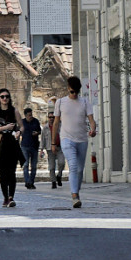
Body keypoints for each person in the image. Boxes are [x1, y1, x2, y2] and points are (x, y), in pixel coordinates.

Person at [52, 76, 97, 208]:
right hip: (66, 139)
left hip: (82, 139)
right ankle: (74, 196)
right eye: (72, 92)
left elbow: (91, 120)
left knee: (80, 170)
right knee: (73, 166)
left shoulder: (85, 102)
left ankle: (76, 191)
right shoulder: (60, 103)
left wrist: (93, 130)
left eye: (76, 92)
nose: (74, 94)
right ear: (68, 89)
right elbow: (55, 124)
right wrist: (53, 143)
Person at [0, 89, 25, 208]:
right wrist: (5, 127)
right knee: (3, 173)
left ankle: (11, 197)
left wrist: (19, 132)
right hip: (0, 144)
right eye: (2, 97)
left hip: (12, 143)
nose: (5, 99)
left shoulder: (14, 111)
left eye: (7, 97)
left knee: (12, 172)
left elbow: (22, 126)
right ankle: (5, 197)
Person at [40, 110, 65, 189]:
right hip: (49, 148)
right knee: (51, 167)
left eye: (53, 117)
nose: (51, 119)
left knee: (61, 163)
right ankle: (53, 182)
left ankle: (59, 176)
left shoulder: (60, 126)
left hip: (60, 147)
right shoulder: (45, 128)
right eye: (50, 117)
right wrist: (41, 149)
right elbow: (43, 139)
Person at [20, 107, 41, 189]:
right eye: (29, 115)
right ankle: (27, 181)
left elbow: (40, 131)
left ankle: (31, 182)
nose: (31, 116)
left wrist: (37, 133)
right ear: (25, 115)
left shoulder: (36, 121)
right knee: (25, 165)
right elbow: (18, 132)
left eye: (31, 114)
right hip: (24, 146)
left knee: (34, 166)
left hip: (34, 146)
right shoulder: (22, 122)